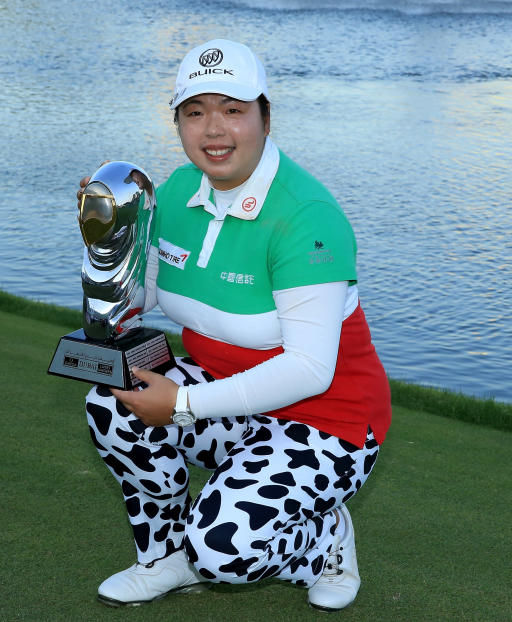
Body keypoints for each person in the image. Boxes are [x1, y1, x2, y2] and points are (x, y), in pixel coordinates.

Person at [81, 38, 392, 612]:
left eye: (233, 109)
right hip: (236, 403)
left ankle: (325, 539)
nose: (214, 130)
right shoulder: (175, 192)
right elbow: (146, 294)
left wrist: (182, 405)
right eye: (195, 112)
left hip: (330, 422)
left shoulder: (307, 219)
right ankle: (165, 557)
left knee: (224, 552)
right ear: (177, 123)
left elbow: (309, 369)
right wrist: (110, 246)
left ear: (265, 117)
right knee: (111, 406)